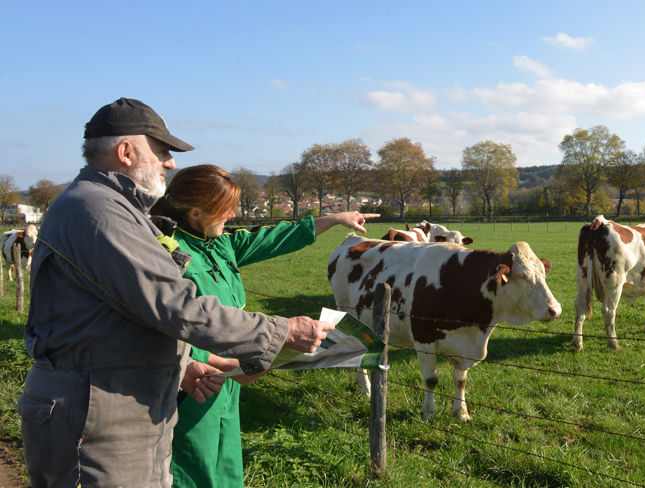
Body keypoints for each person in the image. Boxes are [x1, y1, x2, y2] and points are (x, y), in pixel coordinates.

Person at [17, 98, 341, 487]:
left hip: (121, 403)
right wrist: (280, 332)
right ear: (125, 152)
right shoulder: (98, 212)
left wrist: (185, 363)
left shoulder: (112, 208)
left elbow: (127, 312)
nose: (170, 163)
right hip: (97, 411)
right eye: (162, 151)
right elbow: (173, 304)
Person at [148, 165, 378, 487]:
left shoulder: (221, 243)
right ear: (197, 212)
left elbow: (273, 237)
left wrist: (336, 219)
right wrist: (214, 362)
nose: (232, 216)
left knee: (226, 463)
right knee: (192, 467)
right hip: (193, 381)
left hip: (228, 378)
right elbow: (162, 323)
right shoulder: (165, 251)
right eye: (225, 211)